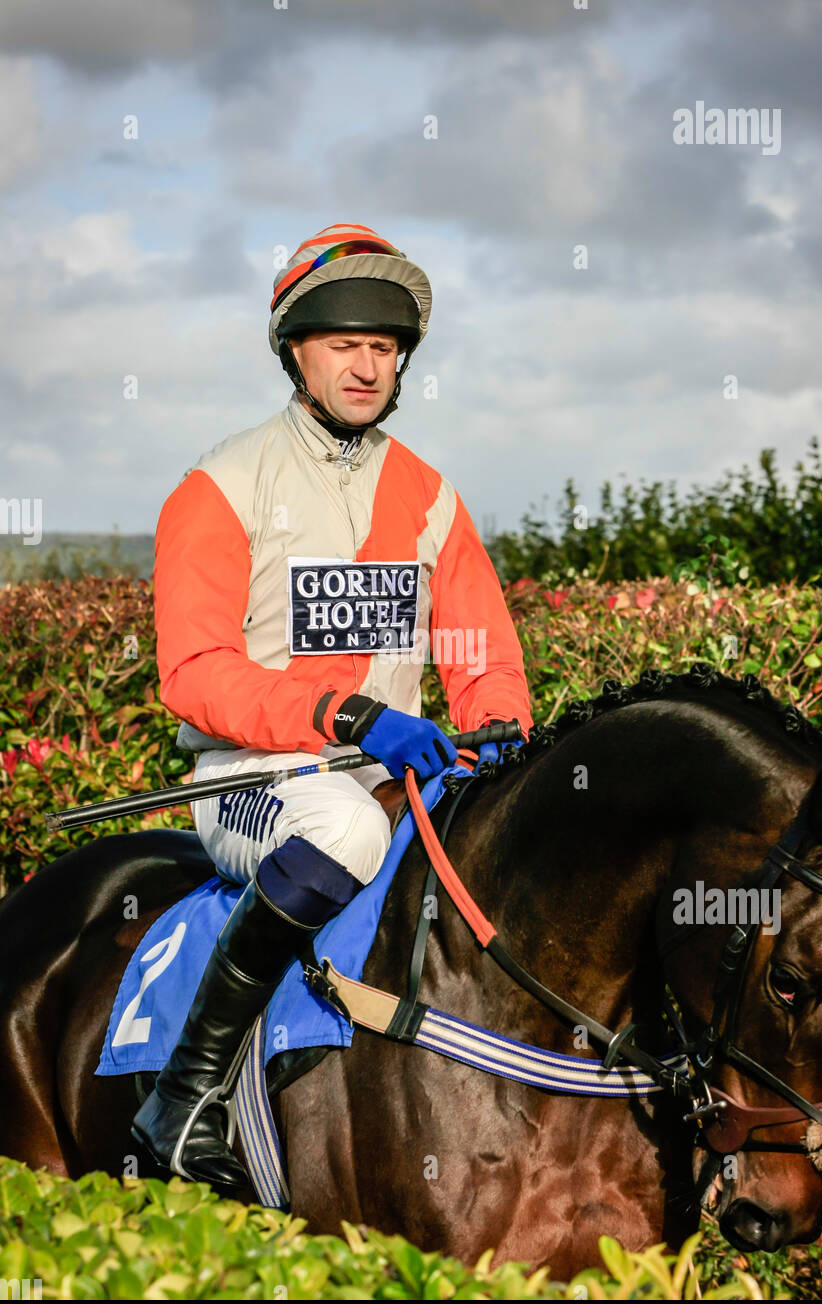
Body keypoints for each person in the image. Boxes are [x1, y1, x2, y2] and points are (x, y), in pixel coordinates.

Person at [131, 223, 533, 1187]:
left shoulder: (431, 497)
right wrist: (343, 718)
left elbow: (478, 651)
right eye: (345, 343)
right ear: (296, 351)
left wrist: (501, 729)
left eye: (385, 348)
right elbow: (192, 671)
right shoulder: (219, 485)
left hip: (396, 774)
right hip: (255, 779)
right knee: (347, 827)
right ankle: (181, 1100)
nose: (366, 365)